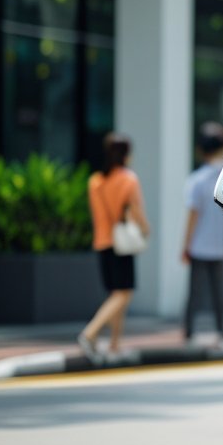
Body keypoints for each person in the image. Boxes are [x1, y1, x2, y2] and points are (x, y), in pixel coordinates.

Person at [79, 133, 150, 361]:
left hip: (102, 241)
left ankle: (114, 344)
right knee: (122, 294)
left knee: (116, 292)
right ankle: (90, 333)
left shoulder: (95, 181)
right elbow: (137, 212)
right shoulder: (129, 179)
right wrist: (146, 230)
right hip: (121, 244)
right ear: (126, 154)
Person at [182, 121, 223, 344]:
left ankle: (189, 330)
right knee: (218, 290)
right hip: (219, 244)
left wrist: (185, 245)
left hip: (199, 245)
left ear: (200, 150)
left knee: (195, 291)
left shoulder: (196, 180)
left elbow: (193, 216)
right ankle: (222, 328)